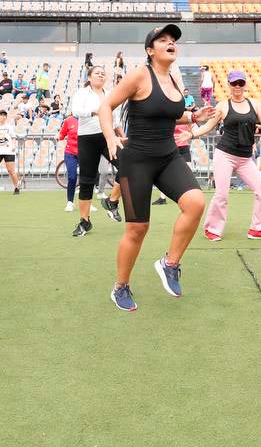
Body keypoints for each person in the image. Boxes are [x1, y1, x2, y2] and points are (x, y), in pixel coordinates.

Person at [98, 24, 217, 312]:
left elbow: (169, 114)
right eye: (162, 40)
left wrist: (193, 117)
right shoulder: (139, 75)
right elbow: (105, 105)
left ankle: (169, 264)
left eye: (173, 39)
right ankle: (121, 286)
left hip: (168, 157)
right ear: (150, 50)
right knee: (137, 229)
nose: (170, 43)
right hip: (136, 162)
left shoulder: (174, 79)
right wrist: (110, 137)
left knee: (196, 203)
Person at [191, 69, 261, 241]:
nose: (237, 86)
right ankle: (212, 229)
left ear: (245, 84)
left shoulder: (255, 104)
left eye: (241, 83)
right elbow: (208, 126)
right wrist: (192, 134)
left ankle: (258, 228)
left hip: (245, 158)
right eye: (234, 83)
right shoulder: (223, 105)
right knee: (222, 194)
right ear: (229, 85)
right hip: (225, 155)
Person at [70, 65, 121, 236]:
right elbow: (76, 111)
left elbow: (116, 119)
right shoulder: (82, 93)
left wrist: (122, 136)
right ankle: (84, 222)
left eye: (103, 73)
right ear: (89, 77)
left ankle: (112, 201)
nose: (100, 75)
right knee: (86, 180)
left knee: (128, 165)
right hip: (87, 139)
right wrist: (93, 112)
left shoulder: (110, 94)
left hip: (108, 137)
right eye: (97, 73)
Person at [58, 114, 80, 214]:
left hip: (85, 153)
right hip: (70, 153)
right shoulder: (68, 120)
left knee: (87, 178)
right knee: (72, 177)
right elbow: (62, 135)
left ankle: (87, 202)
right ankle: (70, 202)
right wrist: (58, 136)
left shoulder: (89, 119)